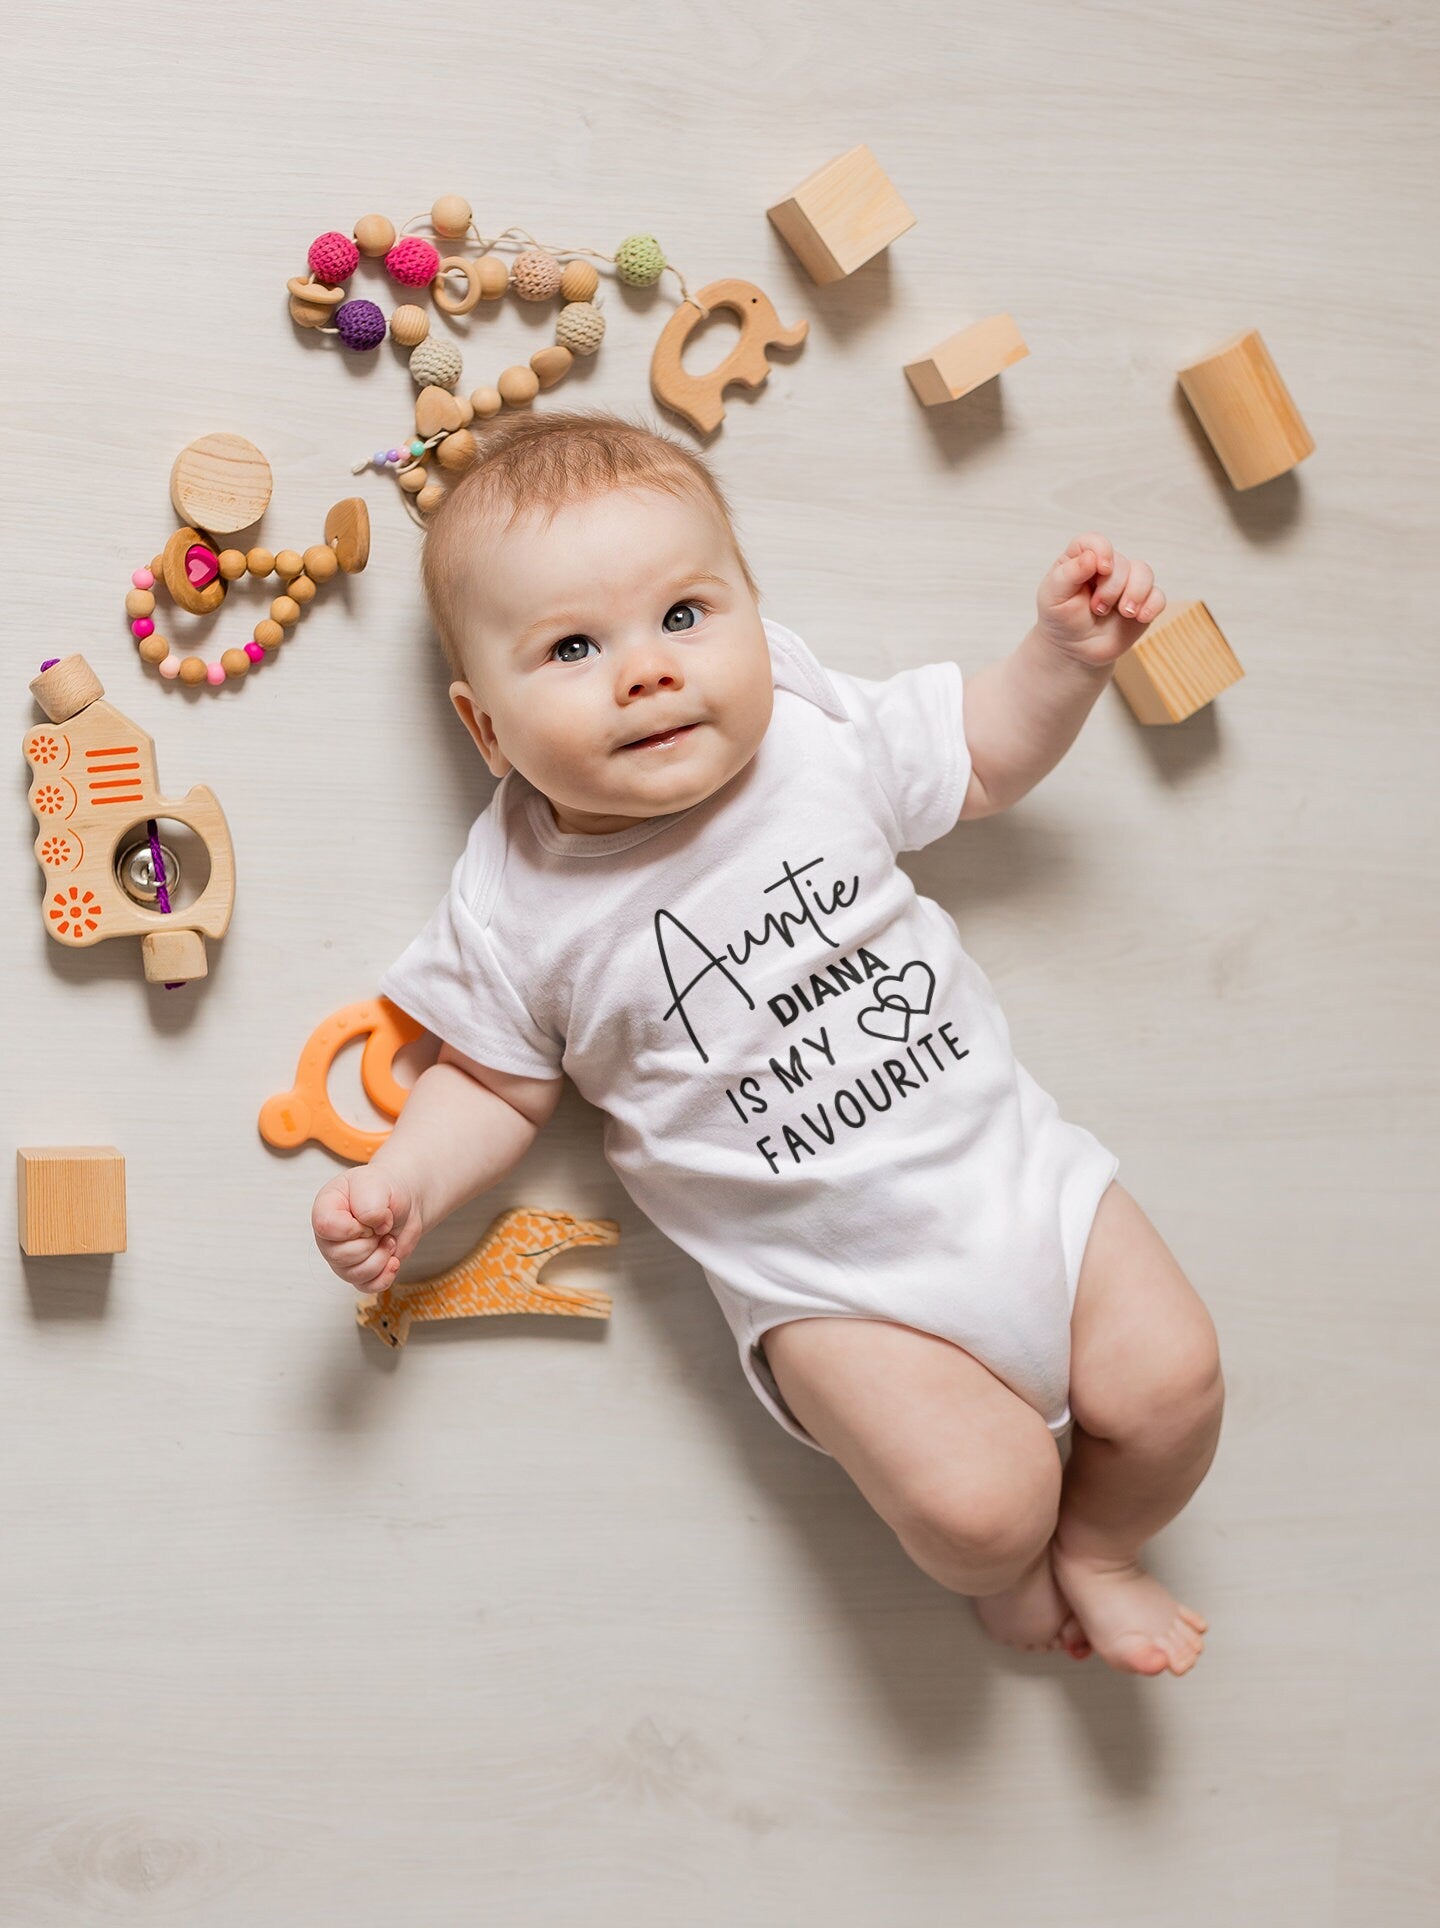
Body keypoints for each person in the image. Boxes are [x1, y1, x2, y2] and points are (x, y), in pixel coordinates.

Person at [312, 409, 1224, 1676]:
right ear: (486, 731)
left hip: (1023, 1184)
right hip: (837, 1292)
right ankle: (1017, 1559)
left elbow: (983, 757)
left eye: (686, 616)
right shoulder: (517, 897)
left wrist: (1063, 657)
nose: (647, 670)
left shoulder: (811, 735)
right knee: (976, 1504)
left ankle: (1107, 1545)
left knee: (1176, 1383)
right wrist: (404, 1181)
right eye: (574, 647)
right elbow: (494, 1085)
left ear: (754, 613)